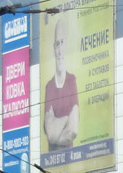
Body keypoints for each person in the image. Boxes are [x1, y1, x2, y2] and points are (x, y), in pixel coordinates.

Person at [44, 17, 79, 151]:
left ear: (67, 44)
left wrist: (56, 122)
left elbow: (73, 130)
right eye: (56, 44)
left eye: (62, 43)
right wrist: (66, 119)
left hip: (71, 160)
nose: (59, 50)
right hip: (50, 164)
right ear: (54, 48)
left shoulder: (71, 81)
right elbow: (51, 135)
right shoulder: (49, 87)